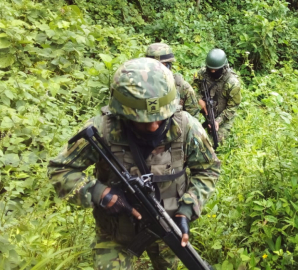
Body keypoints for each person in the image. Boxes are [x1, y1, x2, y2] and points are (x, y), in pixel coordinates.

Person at [47, 58, 220, 269]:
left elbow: (208, 169)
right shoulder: (103, 130)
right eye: (144, 119)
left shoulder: (186, 127)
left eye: (161, 117)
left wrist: (188, 208)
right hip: (116, 231)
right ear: (123, 112)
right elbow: (60, 169)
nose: (154, 125)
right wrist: (100, 193)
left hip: (168, 224)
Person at [193, 48, 241, 143]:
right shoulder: (203, 73)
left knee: (211, 143)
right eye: (210, 69)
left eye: (215, 70)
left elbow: (232, 107)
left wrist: (218, 121)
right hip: (203, 110)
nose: (212, 72)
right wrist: (199, 100)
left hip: (223, 117)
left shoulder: (232, 82)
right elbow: (193, 89)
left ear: (223, 67)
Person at [146, 43, 200, 117]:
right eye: (153, 66)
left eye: (162, 65)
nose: (157, 70)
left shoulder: (183, 88)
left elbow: (193, 119)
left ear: (169, 66)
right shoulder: (140, 86)